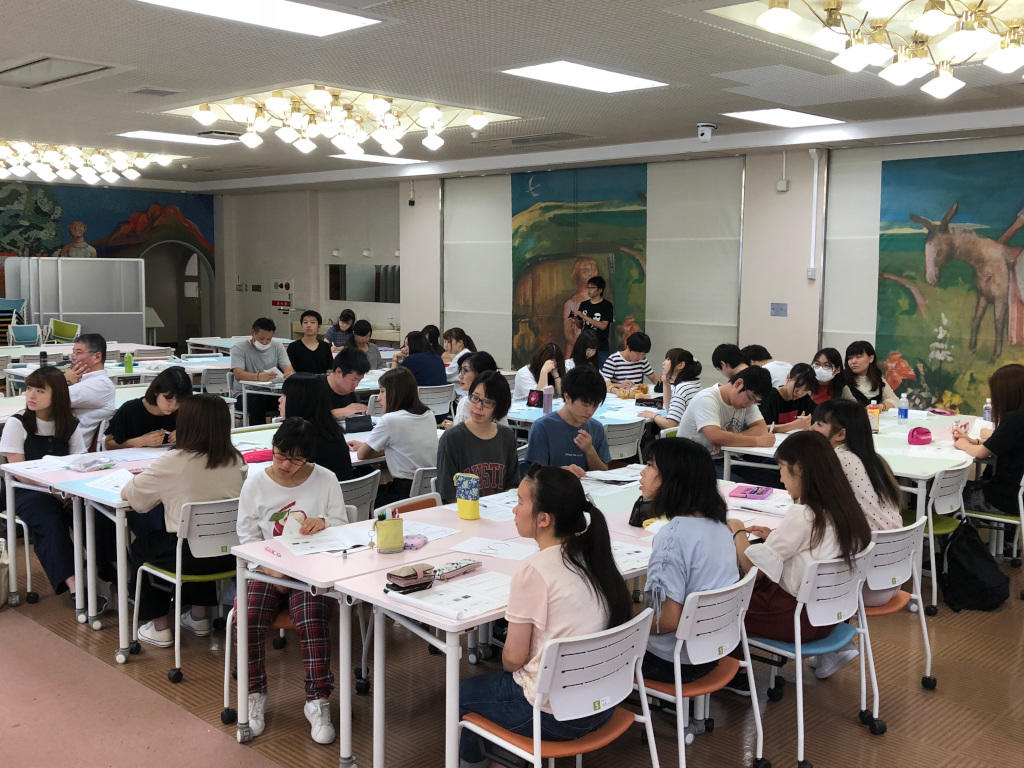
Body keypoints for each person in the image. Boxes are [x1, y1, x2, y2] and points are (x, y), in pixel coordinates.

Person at [458, 465, 632, 766]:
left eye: (520, 502)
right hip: (603, 704)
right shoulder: (593, 556)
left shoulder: (534, 571)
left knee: (460, 694)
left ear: (544, 519)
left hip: (554, 717)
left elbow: (513, 659)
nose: (514, 510)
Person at [727, 431, 871, 684]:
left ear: (800, 469)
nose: (780, 477)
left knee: (722, 609)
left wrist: (737, 529)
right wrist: (775, 536)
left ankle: (733, 676)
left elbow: (752, 570)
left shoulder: (804, 515)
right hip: (831, 616)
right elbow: (811, 546)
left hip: (798, 620)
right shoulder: (847, 510)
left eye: (782, 468)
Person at [236, 418, 346, 744]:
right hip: (266, 568)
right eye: (280, 455)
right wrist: (269, 568)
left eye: (295, 459)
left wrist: (324, 523)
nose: (284, 465)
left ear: (308, 458)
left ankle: (317, 699)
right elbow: (247, 537)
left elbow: (342, 527)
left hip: (309, 568)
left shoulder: (325, 479)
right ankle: (254, 693)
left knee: (311, 618)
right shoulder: (255, 483)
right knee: (248, 618)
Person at [122, 394, 246, 647]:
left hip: (186, 559)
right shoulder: (236, 459)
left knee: (145, 546)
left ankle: (159, 627)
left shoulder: (172, 462)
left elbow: (134, 499)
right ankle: (199, 617)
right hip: (229, 555)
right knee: (199, 537)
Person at [641, 438, 740, 685]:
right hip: (711, 650)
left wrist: (626, 621)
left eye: (650, 465)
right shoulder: (720, 527)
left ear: (672, 478)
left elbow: (665, 621)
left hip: (671, 661)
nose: (642, 472)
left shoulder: (671, 538)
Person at [0, 366, 89, 605]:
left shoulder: (69, 424)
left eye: (40, 391)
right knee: (50, 519)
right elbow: (18, 471)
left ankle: (113, 572)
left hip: (64, 489)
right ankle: (75, 586)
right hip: (23, 490)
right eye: (29, 388)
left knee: (94, 513)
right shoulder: (18, 423)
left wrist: (68, 491)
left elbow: (78, 462)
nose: (31, 395)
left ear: (56, 395)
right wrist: (55, 489)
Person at [348, 367, 438, 505]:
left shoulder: (390, 420)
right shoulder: (428, 414)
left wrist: (367, 447)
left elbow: (362, 455)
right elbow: (406, 447)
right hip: (431, 491)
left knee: (360, 473)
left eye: (382, 391)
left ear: (396, 393)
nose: (378, 398)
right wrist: (384, 448)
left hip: (403, 495)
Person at [953, 364, 1024, 519]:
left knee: (942, 495)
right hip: (1017, 495)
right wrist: (973, 441)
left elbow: (981, 453)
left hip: (1004, 499)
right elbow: (1002, 441)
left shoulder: (1014, 419)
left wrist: (963, 444)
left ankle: (957, 535)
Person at [436, 371, 519, 503]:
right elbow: (448, 495)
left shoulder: (506, 437)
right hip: (464, 511)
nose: (478, 407)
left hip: (499, 510)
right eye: (475, 398)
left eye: (487, 402)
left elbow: (512, 486)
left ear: (499, 406)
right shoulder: (452, 439)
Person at [523, 365, 610, 477]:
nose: (590, 411)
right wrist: (562, 472)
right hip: (553, 487)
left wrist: (590, 451)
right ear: (567, 397)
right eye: (585, 404)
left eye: (595, 405)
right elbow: (534, 475)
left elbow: (604, 474)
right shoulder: (543, 427)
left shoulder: (596, 428)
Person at [678, 366, 775, 461]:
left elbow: (761, 429)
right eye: (750, 398)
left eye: (755, 402)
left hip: (725, 458)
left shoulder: (748, 401)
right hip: (695, 462)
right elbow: (715, 437)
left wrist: (728, 440)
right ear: (738, 384)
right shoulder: (706, 399)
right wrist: (757, 441)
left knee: (772, 468)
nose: (750, 404)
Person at [280, 373, 352, 481]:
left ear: (298, 400)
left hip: (313, 491)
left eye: (285, 395)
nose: (280, 399)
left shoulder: (300, 437)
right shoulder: (330, 429)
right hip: (343, 490)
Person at [105, 366, 191, 450]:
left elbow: (196, 437)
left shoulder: (184, 411)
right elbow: (108, 444)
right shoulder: (130, 410)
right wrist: (139, 442)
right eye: (168, 399)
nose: (173, 406)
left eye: (179, 402)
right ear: (156, 391)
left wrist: (185, 435)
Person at [231, 317, 294, 426]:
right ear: (253, 333)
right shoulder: (239, 348)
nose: (265, 342)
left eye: (268, 339)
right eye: (261, 339)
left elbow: (287, 367)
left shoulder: (277, 346)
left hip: (270, 392)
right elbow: (238, 374)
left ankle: (288, 432)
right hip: (245, 394)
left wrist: (289, 373)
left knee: (292, 401)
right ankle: (258, 433)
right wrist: (258, 377)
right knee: (256, 403)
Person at [64, 333, 116, 448]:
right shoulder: (81, 380)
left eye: (79, 353)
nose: (73, 357)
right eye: (73, 353)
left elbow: (52, 399)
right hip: (60, 439)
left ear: (97, 357)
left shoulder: (101, 384)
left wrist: (66, 381)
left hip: (70, 448)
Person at [640, 348, 703, 430]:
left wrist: (653, 415)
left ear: (680, 365)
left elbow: (670, 425)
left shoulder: (681, 389)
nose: (663, 363)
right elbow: (669, 409)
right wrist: (665, 382)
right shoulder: (694, 383)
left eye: (668, 359)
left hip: (686, 436)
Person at [442, 351, 499, 429]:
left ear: (480, 374)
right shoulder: (498, 398)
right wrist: (454, 426)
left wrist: (453, 430)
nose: (460, 376)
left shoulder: (467, 402)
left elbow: (460, 435)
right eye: (460, 370)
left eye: (465, 371)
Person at [757, 362, 818, 434]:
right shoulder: (768, 398)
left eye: (805, 390)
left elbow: (819, 415)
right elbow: (760, 429)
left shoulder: (804, 399)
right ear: (788, 378)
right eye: (797, 386)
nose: (799, 393)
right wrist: (793, 426)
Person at [568, 274, 613, 365]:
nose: (589, 290)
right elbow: (581, 326)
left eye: (592, 287)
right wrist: (576, 321)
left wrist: (584, 316)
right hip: (584, 345)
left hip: (600, 346)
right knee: (580, 368)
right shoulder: (584, 304)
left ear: (600, 290)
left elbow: (603, 326)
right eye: (588, 287)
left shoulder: (607, 305)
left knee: (601, 370)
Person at [839, 340, 897, 409]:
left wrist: (881, 406)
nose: (853, 361)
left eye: (858, 357)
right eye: (850, 358)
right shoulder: (842, 380)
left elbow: (895, 401)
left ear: (871, 358)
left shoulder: (878, 379)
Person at [561, 257, 599, 356]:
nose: (590, 274)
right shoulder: (570, 304)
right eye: (585, 271)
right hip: (575, 353)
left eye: (593, 270)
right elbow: (568, 336)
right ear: (577, 275)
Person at [325, 347, 371, 419]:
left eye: (359, 380)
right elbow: (309, 418)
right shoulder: (314, 388)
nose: (356, 385)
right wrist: (339, 412)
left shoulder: (349, 392)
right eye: (354, 379)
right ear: (339, 372)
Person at [287, 310, 333, 374]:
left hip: (321, 380)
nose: (308, 325)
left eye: (312, 322)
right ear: (302, 325)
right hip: (299, 380)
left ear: (319, 326)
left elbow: (330, 370)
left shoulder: (325, 346)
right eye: (305, 322)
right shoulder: (293, 347)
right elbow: (290, 371)